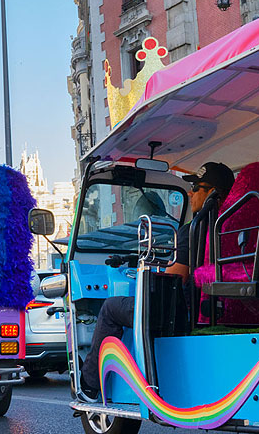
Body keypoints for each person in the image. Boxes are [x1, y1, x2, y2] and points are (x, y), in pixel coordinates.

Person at [80, 161, 235, 399]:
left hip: (181, 313)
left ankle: (89, 384)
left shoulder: (195, 229)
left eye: (197, 187)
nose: (191, 193)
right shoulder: (231, 226)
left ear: (213, 193)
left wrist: (152, 272)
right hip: (216, 307)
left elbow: (176, 277)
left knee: (111, 307)